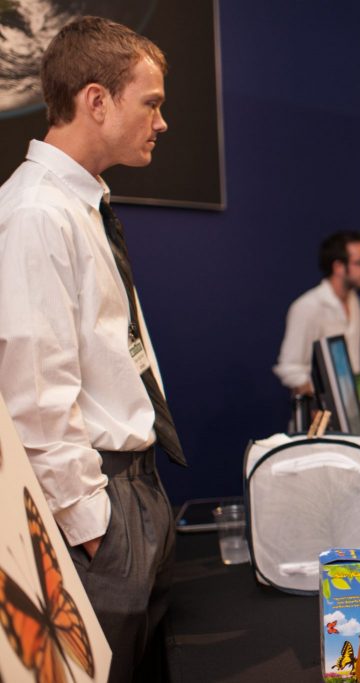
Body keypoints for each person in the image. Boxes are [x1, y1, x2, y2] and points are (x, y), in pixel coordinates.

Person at [0, 16, 186, 681]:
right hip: (100, 504)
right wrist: (95, 529)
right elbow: (33, 398)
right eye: (152, 102)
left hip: (135, 489)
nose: (162, 122)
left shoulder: (82, 205)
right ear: (96, 100)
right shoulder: (35, 214)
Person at [274, 231, 360, 394]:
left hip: (352, 404)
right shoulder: (308, 307)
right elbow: (289, 368)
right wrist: (322, 396)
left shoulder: (354, 300)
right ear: (338, 267)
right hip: (323, 411)